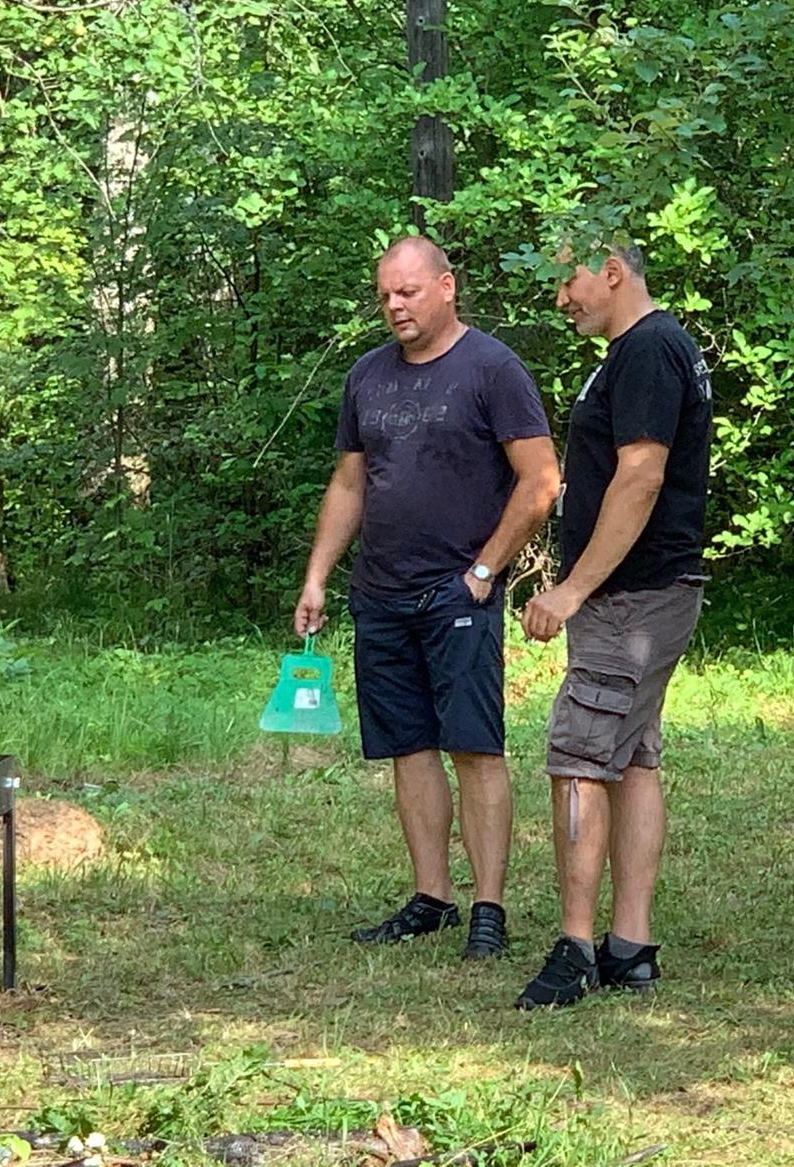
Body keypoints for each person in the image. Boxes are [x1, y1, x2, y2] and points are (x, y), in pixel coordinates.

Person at [293, 236, 559, 961]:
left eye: (407, 292)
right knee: (407, 748)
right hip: (380, 595)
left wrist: (484, 571)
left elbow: (540, 481)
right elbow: (350, 483)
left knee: (474, 747)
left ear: (446, 287)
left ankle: (488, 909)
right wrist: (318, 575)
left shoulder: (494, 370)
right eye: (385, 295)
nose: (394, 306)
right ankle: (432, 896)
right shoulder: (367, 376)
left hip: (458, 594)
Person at [514, 236, 712, 1008]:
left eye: (567, 280)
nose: (560, 299)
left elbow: (642, 476)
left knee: (578, 757)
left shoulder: (649, 350)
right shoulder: (642, 350)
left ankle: (574, 949)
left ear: (612, 271)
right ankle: (629, 947)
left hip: (634, 596)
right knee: (632, 759)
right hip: (645, 593)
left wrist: (571, 590)